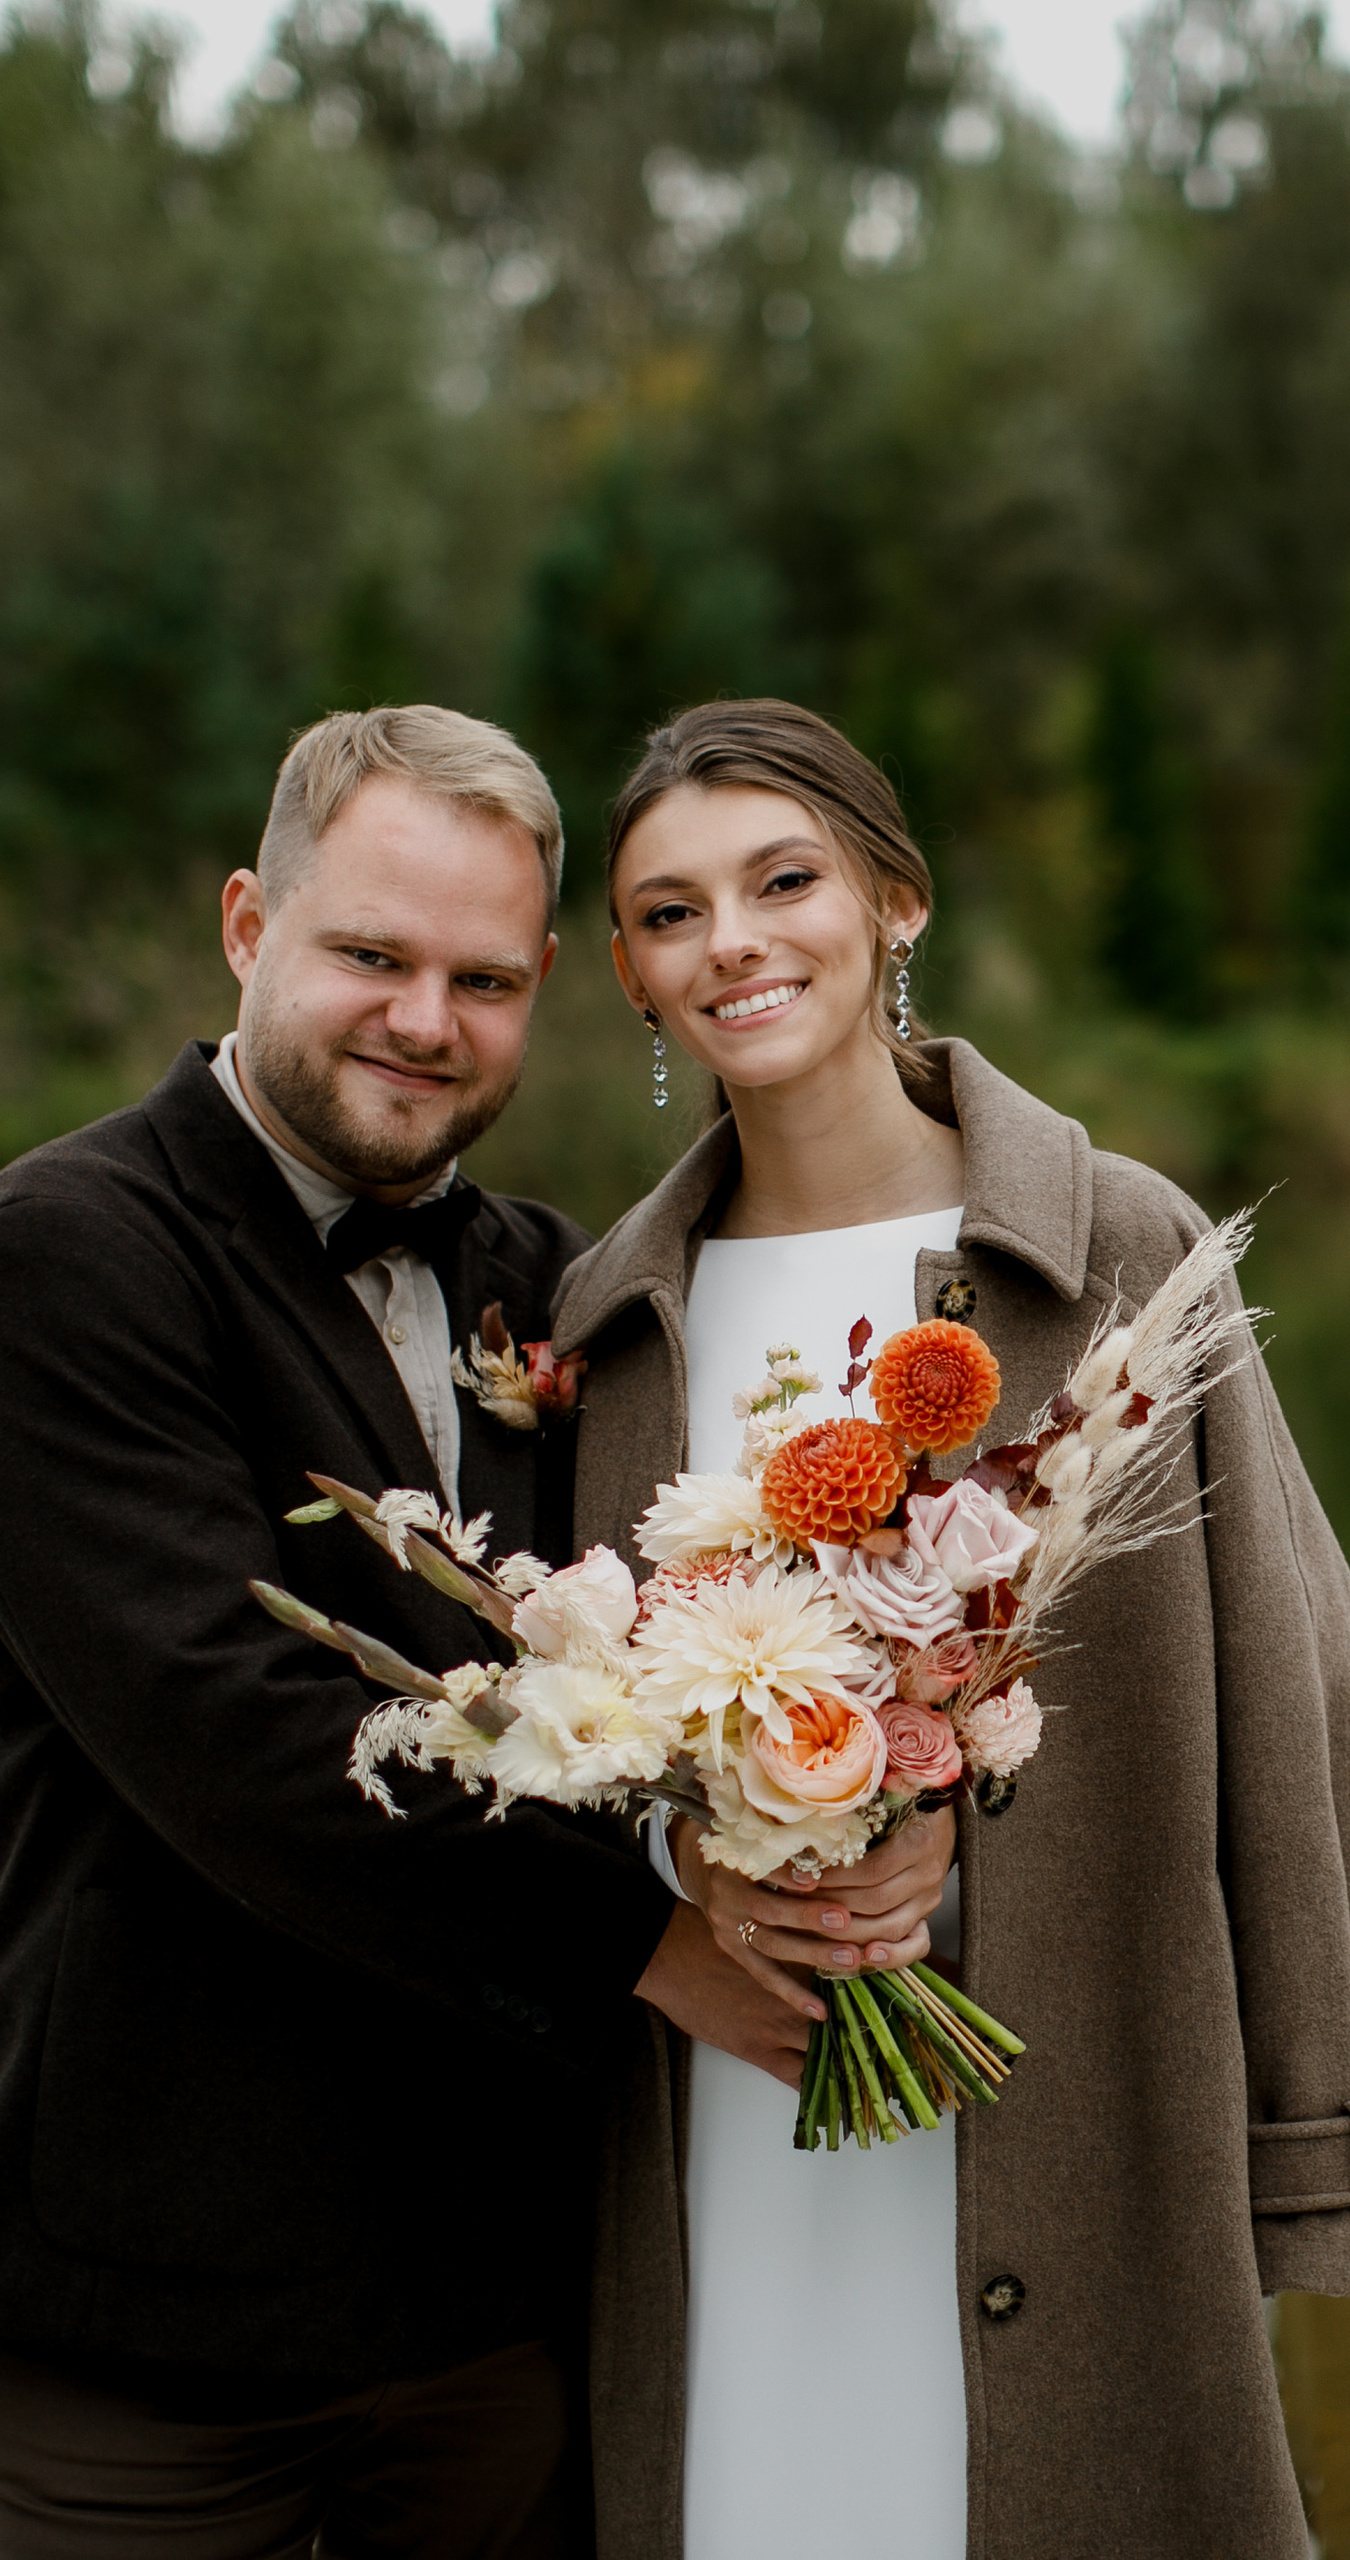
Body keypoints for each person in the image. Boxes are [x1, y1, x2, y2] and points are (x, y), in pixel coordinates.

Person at [552, 697, 1350, 2560]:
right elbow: (572, 1722)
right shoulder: (609, 1317)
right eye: (671, 912)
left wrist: (1321, 2143)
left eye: (784, 881)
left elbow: (1303, 1700)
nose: (736, 945)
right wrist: (710, 1852)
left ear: (896, 904)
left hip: (1077, 2107)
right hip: (730, 2118)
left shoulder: (1116, 1246)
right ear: (628, 973)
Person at [0, 708, 833, 2556]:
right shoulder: (61, 1251)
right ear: (246, 925)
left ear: (542, 983)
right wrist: (654, 1939)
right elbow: (238, 1734)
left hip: (497, 2303)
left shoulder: (558, 1282)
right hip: (159, 2311)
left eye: (479, 978)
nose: (422, 1022)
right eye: (369, 956)